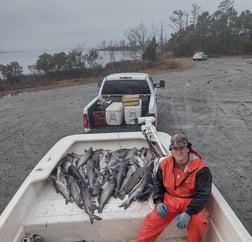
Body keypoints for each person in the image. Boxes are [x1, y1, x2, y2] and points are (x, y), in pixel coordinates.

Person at [135, 133, 212, 242]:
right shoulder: (164, 164)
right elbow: (158, 184)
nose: (179, 151)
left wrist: (189, 212)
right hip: (169, 200)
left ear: (188, 149)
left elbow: (203, 194)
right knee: (151, 221)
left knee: (198, 222)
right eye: (175, 148)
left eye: (182, 148)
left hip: (192, 201)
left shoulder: (202, 169)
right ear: (171, 150)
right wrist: (158, 201)